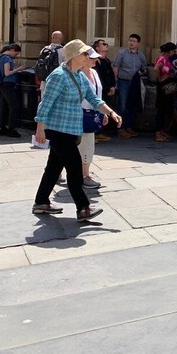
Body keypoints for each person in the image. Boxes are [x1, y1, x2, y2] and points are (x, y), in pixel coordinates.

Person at [32, 39, 121, 221]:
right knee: (74, 168)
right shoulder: (58, 76)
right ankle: (84, 207)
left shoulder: (79, 75)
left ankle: (41, 202)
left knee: (53, 168)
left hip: (71, 129)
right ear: (75, 56)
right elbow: (45, 103)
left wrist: (111, 112)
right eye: (84, 54)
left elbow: (93, 98)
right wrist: (40, 128)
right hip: (58, 130)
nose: (88, 56)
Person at [78, 48, 104, 189]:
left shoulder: (94, 72)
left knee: (88, 144)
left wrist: (103, 112)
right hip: (78, 113)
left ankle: (84, 174)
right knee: (76, 145)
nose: (95, 60)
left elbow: (97, 95)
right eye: (92, 57)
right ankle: (84, 176)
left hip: (92, 114)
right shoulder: (76, 74)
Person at [112, 33, 148, 138]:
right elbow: (116, 66)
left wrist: (142, 72)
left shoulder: (141, 55)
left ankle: (128, 127)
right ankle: (121, 128)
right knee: (122, 105)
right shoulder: (122, 53)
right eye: (130, 40)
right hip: (123, 81)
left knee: (132, 105)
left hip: (135, 83)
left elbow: (144, 68)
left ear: (138, 43)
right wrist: (115, 81)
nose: (131, 43)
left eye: (134, 41)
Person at [0, 43, 25, 137]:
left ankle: (3, 128)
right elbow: (7, 73)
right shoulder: (7, 58)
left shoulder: (1, 57)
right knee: (14, 106)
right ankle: (11, 129)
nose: (16, 56)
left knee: (4, 106)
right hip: (7, 84)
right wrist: (18, 69)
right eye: (16, 54)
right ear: (12, 50)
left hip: (2, 84)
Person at [91, 39, 116, 141]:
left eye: (106, 44)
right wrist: (106, 88)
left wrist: (113, 86)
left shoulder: (107, 60)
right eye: (103, 44)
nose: (106, 45)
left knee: (104, 111)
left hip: (108, 90)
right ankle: (94, 133)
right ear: (97, 48)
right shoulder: (95, 61)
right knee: (97, 110)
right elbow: (98, 78)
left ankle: (100, 131)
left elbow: (111, 75)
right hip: (100, 89)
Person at [153, 42, 177, 142]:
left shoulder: (167, 59)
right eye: (173, 51)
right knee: (161, 109)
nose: (174, 52)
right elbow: (156, 69)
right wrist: (160, 78)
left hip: (169, 87)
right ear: (169, 50)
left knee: (167, 109)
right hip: (163, 87)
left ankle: (162, 130)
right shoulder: (161, 58)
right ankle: (157, 132)